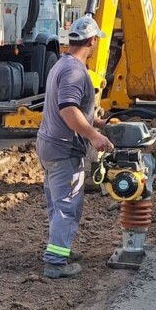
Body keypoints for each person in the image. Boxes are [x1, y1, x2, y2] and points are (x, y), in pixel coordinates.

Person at [36, 15, 114, 280]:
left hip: (49, 145)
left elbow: (73, 109)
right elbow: (68, 110)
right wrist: (94, 136)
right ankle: (56, 262)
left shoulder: (62, 65)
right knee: (67, 206)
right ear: (92, 41)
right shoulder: (75, 71)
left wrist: (100, 123)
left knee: (57, 203)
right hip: (64, 149)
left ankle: (61, 247)